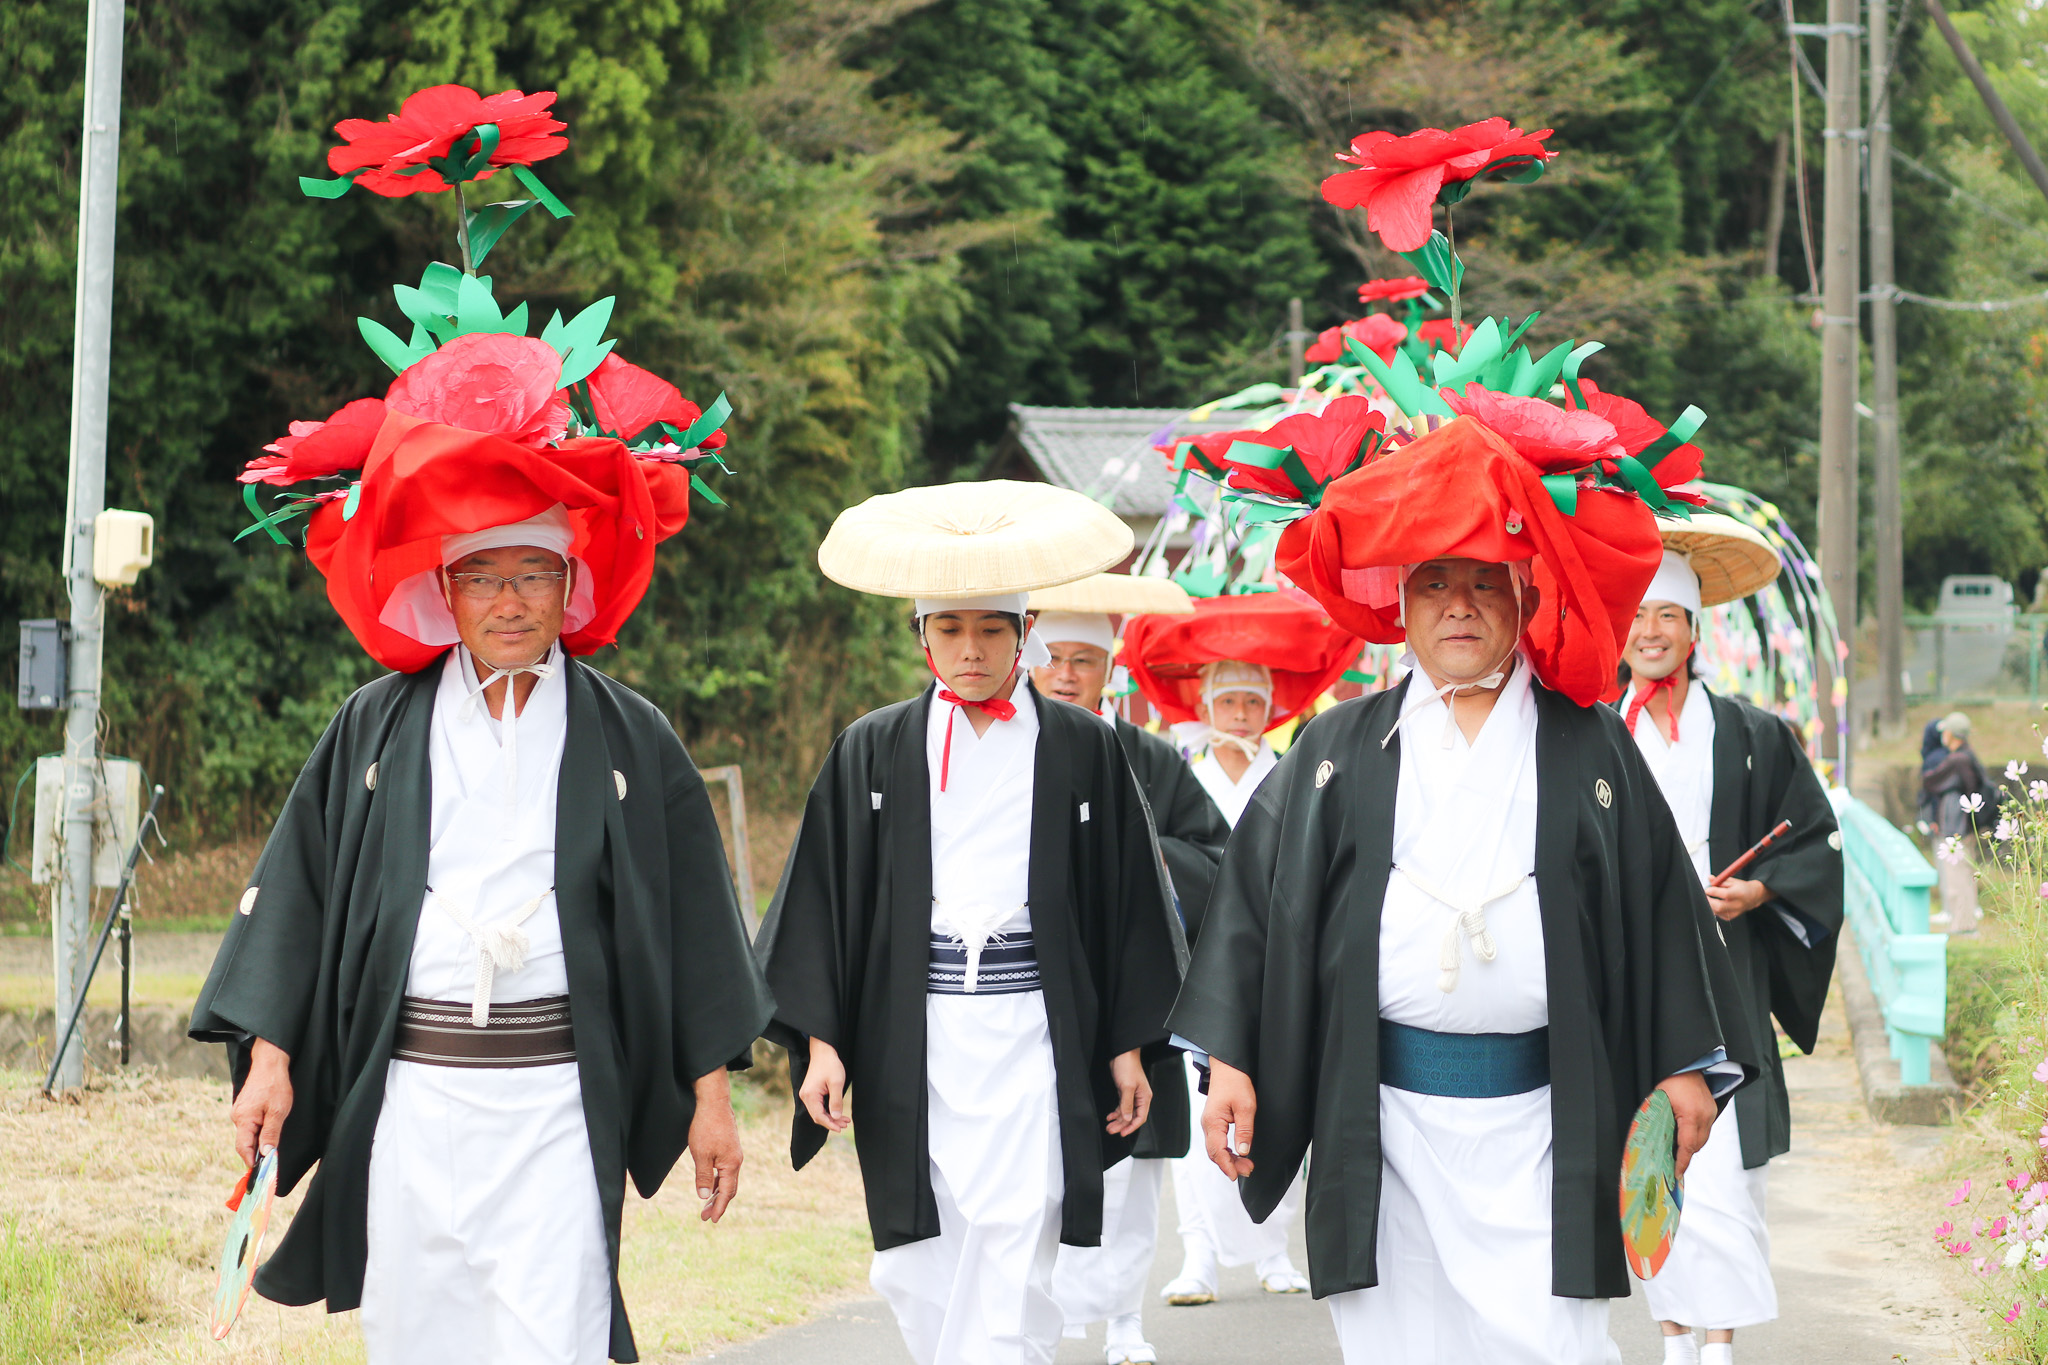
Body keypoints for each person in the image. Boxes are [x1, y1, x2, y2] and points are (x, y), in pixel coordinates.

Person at [1168, 411, 1757, 1364]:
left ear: (1526, 595)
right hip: (1381, 1114)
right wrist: (1230, 1057)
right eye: (1435, 582)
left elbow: (1659, 905)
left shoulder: (1589, 740)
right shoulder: (1336, 746)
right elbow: (1253, 906)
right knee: (1397, 1347)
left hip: (1542, 1114)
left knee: (1553, 1346)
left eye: (1486, 582)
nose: (1459, 605)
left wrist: (1684, 1059)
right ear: (1399, 600)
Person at [191, 440, 768, 1362]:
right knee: (418, 1338)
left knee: (556, 1337)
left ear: (570, 582)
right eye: (483, 576)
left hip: (556, 1100)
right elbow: (300, 894)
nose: (509, 600)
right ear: (445, 588)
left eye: (534, 573)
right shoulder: (376, 722)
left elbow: (694, 923)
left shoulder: (630, 733)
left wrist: (712, 1102)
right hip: (413, 1092)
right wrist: (270, 1059)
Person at [756, 483, 1188, 1365]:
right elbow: (824, 901)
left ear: (1023, 632)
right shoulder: (871, 748)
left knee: (1021, 1239)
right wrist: (823, 1040)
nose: (972, 649)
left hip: (1035, 1029)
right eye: (949, 630)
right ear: (921, 638)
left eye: (991, 629)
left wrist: (1126, 1043)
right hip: (917, 1033)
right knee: (917, 1264)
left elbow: (1126, 902)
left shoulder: (1083, 746)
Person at [1615, 522, 1843, 1365]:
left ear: (1695, 627)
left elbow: (1813, 840)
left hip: (1729, 973)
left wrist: (1759, 887)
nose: (1650, 630)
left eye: (1668, 615)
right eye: (1636, 614)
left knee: (1728, 1170)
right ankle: (1673, 1334)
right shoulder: (1595, 733)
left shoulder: (1752, 733)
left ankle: (1720, 1342)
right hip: (1634, 976)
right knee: (1652, 1154)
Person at [1121, 593, 1364, 1307]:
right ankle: (1197, 1252)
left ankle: (1273, 1247)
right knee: (1205, 1112)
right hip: (1197, 960)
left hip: (1284, 963)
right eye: (1225, 700)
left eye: (1250, 703)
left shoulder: (1298, 770)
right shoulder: (1183, 774)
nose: (1238, 714)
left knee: (1286, 1097)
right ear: (1205, 702)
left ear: (1270, 709)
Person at [1030, 585, 1232, 1365]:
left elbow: (1215, 859)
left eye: (1086, 660)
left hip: (1130, 992)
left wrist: (1138, 859)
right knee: (1037, 1171)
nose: (1069, 675)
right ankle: (1037, 1326)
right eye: (1056, 659)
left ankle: (1124, 1324)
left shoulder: (1146, 757)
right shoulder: (1010, 750)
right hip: (1037, 995)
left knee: (1133, 1176)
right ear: (1031, 661)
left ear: (1109, 668)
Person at [1923, 711, 1994, 935]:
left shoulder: (1957, 760)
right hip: (1965, 826)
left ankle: (1963, 925)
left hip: (1957, 828)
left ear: (1952, 734)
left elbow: (1930, 780)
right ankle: (1965, 922)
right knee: (1964, 874)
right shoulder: (1967, 756)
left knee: (1957, 877)